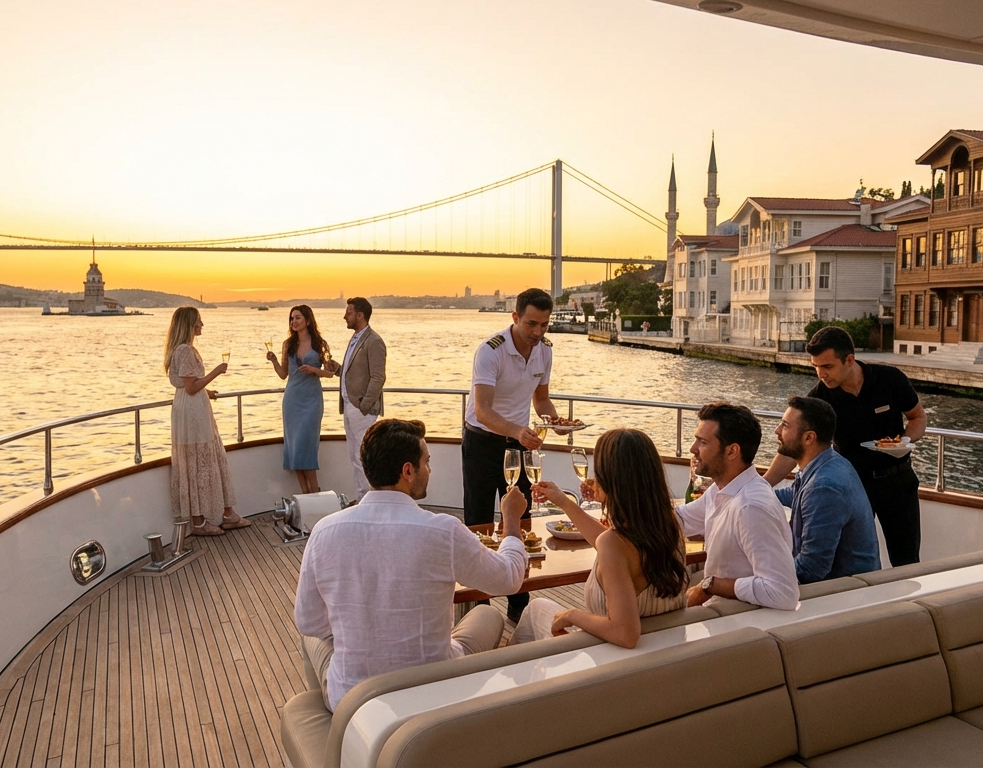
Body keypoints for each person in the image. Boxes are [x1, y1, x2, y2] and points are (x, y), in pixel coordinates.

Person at [293, 419, 528, 711]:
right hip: (433, 689)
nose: (429, 470)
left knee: (311, 639)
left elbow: (309, 622)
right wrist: (512, 520)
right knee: (489, 617)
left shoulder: (325, 531)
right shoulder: (443, 531)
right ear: (407, 471)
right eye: (426, 462)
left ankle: (335, 729)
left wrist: (363, 625)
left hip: (355, 699)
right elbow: (509, 579)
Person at [762, 326, 927, 566]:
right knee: (854, 559)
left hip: (898, 482)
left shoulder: (890, 379)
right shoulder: (819, 399)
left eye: (827, 366)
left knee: (907, 559)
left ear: (849, 359)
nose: (821, 374)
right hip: (854, 487)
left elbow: (918, 418)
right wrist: (762, 484)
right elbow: (793, 447)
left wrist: (904, 441)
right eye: (816, 367)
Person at [513, 429, 688, 648]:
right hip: (667, 652)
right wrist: (565, 503)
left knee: (534, 610)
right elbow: (612, 546)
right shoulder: (670, 527)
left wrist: (573, 615)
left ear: (612, 479)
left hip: (612, 663)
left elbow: (625, 634)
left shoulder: (614, 545)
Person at [462, 287, 560, 622]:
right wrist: (518, 430)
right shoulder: (491, 352)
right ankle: (479, 604)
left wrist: (556, 420)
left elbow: (541, 401)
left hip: (518, 444)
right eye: (532, 323)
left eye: (544, 325)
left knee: (521, 519)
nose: (538, 332)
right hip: (482, 441)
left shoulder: (544, 351)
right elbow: (483, 410)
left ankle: (519, 601)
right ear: (515, 317)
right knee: (479, 522)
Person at [674, 403, 798, 611]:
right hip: (719, 611)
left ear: (732, 451)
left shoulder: (750, 508)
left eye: (702, 442)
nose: (692, 449)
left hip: (734, 620)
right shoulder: (722, 490)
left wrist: (710, 585)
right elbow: (679, 521)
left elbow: (783, 592)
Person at [772, 396, 880, 583]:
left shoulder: (824, 486)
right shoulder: (828, 462)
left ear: (808, 438)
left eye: (785, 425)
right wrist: (751, 494)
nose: (777, 430)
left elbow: (811, 569)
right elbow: (796, 493)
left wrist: (759, 570)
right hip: (841, 584)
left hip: (844, 593)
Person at [163, 307, 250, 536]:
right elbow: (190, 386)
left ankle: (226, 514)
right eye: (198, 322)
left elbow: (190, 385)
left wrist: (206, 391)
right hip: (191, 412)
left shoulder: (185, 350)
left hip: (194, 407)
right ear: (189, 325)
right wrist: (216, 372)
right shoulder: (184, 350)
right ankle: (199, 522)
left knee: (209, 456)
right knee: (198, 461)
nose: (202, 325)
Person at [267, 305, 335, 494]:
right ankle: (306, 496)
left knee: (307, 446)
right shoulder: (288, 344)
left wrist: (314, 370)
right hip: (292, 400)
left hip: (311, 400)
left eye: (297, 318)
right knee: (295, 448)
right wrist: (273, 361)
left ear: (307, 320)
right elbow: (283, 374)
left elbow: (330, 373)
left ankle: (315, 494)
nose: (294, 322)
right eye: (291, 318)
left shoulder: (319, 343)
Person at [324, 297, 386, 500]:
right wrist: (338, 370)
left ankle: (370, 502)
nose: (344, 316)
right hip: (349, 404)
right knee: (354, 457)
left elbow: (378, 377)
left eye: (348, 312)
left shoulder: (374, 341)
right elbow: (355, 373)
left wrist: (364, 405)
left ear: (360, 315)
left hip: (360, 408)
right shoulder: (355, 339)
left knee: (363, 457)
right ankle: (362, 499)